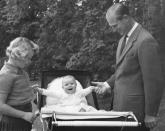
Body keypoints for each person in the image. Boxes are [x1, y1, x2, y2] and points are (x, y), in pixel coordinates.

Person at [92, 3, 164, 131]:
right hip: (120, 108)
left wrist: (151, 114)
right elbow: (123, 70)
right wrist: (107, 84)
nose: (113, 30)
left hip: (136, 112)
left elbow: (153, 82)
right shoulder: (122, 40)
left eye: (115, 26)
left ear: (125, 18)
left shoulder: (146, 41)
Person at [0, 37, 39, 131]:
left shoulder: (21, 71)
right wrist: (24, 115)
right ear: (17, 55)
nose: (29, 62)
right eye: (28, 58)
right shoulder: (6, 74)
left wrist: (29, 90)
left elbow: (15, 91)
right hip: (13, 122)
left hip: (23, 119)